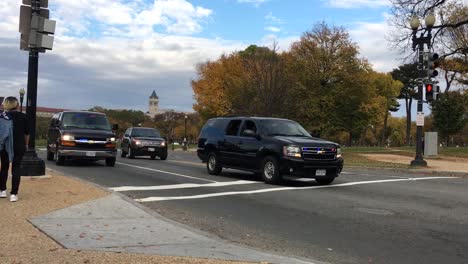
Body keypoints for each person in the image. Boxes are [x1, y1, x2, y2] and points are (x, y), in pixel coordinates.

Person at [0, 96, 29, 202]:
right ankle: (14, 194)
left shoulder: (2, 116)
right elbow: (27, 133)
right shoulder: (23, 116)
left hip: (4, 145)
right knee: (16, 168)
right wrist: (26, 145)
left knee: (4, 167)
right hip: (19, 145)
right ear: (17, 105)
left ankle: (2, 190)